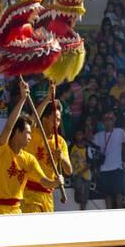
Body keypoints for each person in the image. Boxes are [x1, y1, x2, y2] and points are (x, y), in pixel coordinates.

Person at [0, 80, 64, 215]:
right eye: (28, 133)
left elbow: (45, 182)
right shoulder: (1, 149)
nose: (30, 136)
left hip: (17, 211)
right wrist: (23, 99)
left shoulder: (29, 159)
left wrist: (56, 182)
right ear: (18, 132)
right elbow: (9, 126)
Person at [22, 83, 73, 213]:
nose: (57, 123)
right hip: (30, 194)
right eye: (54, 119)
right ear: (44, 119)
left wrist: (61, 158)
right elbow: (31, 121)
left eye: (59, 120)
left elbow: (69, 171)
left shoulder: (60, 142)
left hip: (48, 196)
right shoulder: (34, 133)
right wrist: (47, 100)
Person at [93, 110, 125, 209]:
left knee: (119, 196)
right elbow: (92, 150)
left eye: (110, 119)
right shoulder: (98, 136)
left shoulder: (120, 131)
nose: (108, 122)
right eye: (106, 120)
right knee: (107, 197)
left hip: (117, 169)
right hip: (104, 170)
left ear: (114, 120)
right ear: (102, 122)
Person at [70, 129, 91, 210]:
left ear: (83, 135)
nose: (79, 136)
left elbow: (90, 163)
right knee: (78, 198)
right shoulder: (71, 147)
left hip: (86, 176)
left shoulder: (87, 147)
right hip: (75, 175)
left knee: (84, 200)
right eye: (77, 134)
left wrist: (81, 173)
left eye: (80, 134)